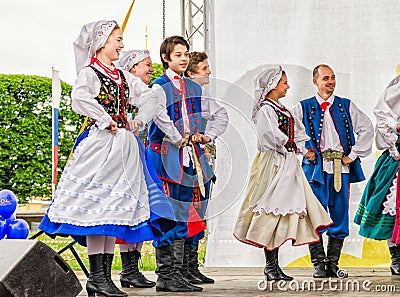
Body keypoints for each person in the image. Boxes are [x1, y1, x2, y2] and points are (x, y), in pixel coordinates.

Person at [39, 20, 180, 297]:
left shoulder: (122, 76)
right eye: (118, 39)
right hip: (101, 145)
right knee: (100, 209)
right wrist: (105, 119)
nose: (122, 44)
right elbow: (79, 99)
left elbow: (152, 96)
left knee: (112, 211)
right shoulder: (91, 73)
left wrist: (138, 120)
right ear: (103, 41)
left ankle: (102, 279)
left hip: (124, 147)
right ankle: (97, 278)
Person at [233, 66, 332, 281]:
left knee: (282, 212)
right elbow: (268, 137)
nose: (288, 86)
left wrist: (300, 147)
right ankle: (270, 266)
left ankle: (273, 266)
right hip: (273, 163)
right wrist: (289, 145)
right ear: (272, 85)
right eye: (284, 82)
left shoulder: (280, 108)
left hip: (287, 162)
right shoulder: (266, 109)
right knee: (271, 209)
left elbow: (297, 132)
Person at [147, 36, 228, 292]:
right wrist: (178, 137)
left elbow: (218, 115)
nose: (183, 58)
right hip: (165, 157)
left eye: (185, 54)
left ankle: (177, 272)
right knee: (167, 214)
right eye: (178, 54)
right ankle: (165, 274)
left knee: (183, 213)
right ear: (166, 58)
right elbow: (159, 117)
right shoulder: (158, 87)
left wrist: (208, 135)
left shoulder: (193, 88)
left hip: (188, 158)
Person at [292, 64, 374, 278]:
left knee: (339, 214)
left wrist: (352, 156)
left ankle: (333, 264)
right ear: (315, 81)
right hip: (315, 171)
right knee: (316, 214)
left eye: (333, 77)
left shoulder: (346, 105)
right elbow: (291, 132)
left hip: (340, 169)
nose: (330, 81)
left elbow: (367, 128)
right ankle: (318, 263)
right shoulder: (303, 107)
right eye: (326, 78)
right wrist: (305, 151)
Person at [113, 49, 179, 289]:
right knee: (125, 209)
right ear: (132, 69)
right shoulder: (123, 93)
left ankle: (131, 270)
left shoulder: (148, 95)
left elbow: (160, 115)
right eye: (147, 65)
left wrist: (179, 138)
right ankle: (127, 270)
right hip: (121, 157)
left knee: (141, 210)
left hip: (138, 156)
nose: (152, 69)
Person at [183, 51, 228, 284]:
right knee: (184, 211)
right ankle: (179, 267)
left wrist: (207, 137)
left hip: (199, 158)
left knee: (199, 210)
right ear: (191, 73)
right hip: (180, 160)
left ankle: (191, 265)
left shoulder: (202, 94)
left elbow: (221, 116)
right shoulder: (175, 93)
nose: (209, 71)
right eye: (204, 68)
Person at [354, 74, 400, 275]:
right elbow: (383, 113)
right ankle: (397, 258)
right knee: (392, 208)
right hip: (396, 160)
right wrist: (394, 141)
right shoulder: (397, 88)